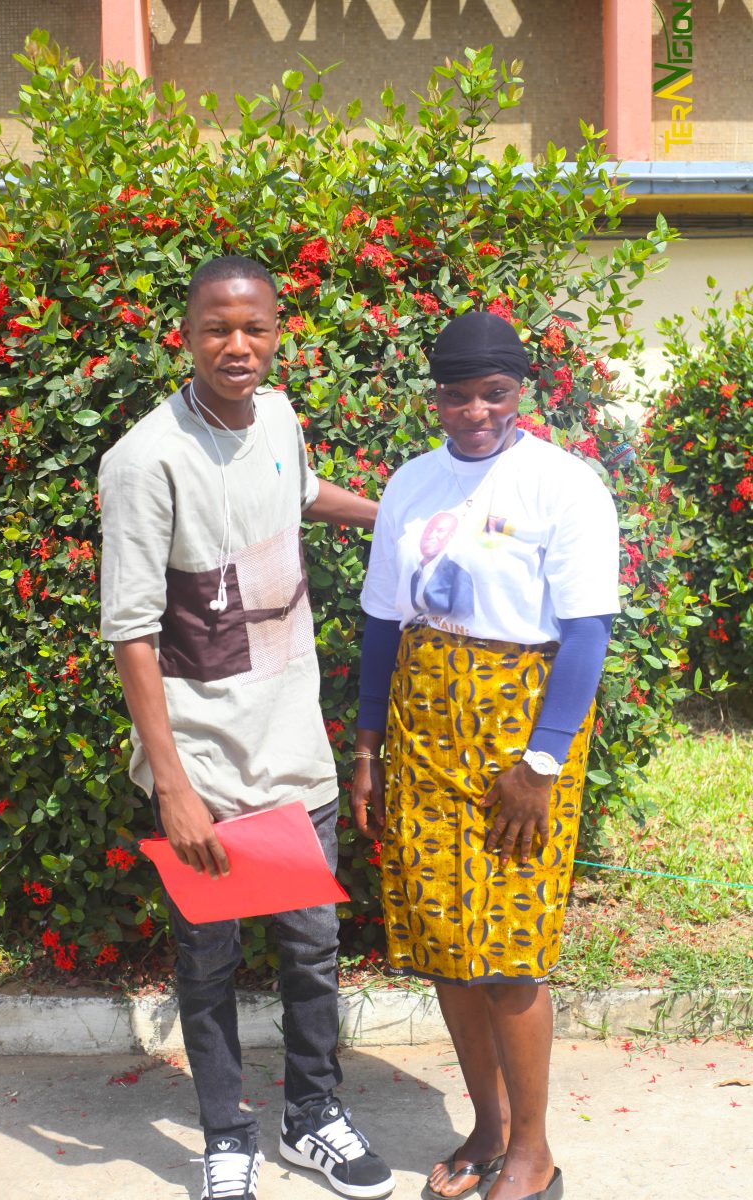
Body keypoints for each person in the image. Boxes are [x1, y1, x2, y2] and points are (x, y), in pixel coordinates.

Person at [99, 255, 394, 1200]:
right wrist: (173, 782)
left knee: (311, 947)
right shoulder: (145, 459)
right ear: (184, 335)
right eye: (216, 328)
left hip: (292, 745)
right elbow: (133, 634)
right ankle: (226, 1135)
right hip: (206, 762)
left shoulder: (279, 420)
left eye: (255, 327)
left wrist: (397, 516)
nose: (238, 345)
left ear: (277, 331)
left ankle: (314, 1118)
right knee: (210, 956)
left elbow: (302, 498)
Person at [351, 311, 619, 1200]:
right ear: (435, 397)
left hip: (520, 730)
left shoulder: (563, 485)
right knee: (444, 944)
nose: (475, 410)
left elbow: (584, 633)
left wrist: (540, 762)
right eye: (457, 394)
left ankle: (535, 1152)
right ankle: (487, 1129)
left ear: (522, 393)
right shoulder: (411, 484)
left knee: (508, 950)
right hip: (422, 724)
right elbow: (383, 620)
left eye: (494, 393)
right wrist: (368, 747)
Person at [409, 511, 474, 622]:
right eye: (428, 530)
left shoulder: (459, 575)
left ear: (451, 536)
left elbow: (463, 619)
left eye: (440, 531)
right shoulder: (416, 573)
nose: (430, 535)